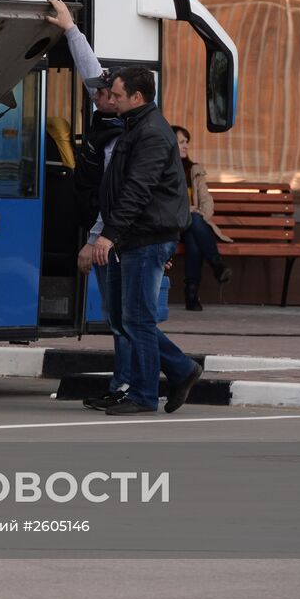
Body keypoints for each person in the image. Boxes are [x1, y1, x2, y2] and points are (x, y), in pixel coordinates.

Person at [90, 66, 203, 416]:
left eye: (118, 96)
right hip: (134, 236)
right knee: (126, 318)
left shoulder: (151, 133)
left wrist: (108, 234)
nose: (112, 100)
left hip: (145, 237)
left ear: (137, 98)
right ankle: (181, 370)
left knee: (136, 319)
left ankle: (144, 393)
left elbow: (138, 190)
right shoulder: (136, 127)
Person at [45, 0, 130, 412]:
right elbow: (88, 72)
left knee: (125, 320)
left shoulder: (120, 138)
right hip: (110, 232)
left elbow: (112, 195)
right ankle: (125, 383)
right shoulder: (109, 117)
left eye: (107, 92)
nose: (97, 94)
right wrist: (70, 30)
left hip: (114, 237)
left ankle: (148, 378)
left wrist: (95, 238)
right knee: (123, 319)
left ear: (124, 99)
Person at [171, 125, 233, 310]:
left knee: (193, 237)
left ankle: (192, 293)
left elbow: (206, 200)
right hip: (171, 225)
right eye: (181, 142)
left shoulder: (194, 170)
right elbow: (165, 202)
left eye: (186, 143)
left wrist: (200, 213)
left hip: (192, 225)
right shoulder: (163, 170)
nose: (185, 146)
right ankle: (216, 265)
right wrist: (188, 210)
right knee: (194, 224)